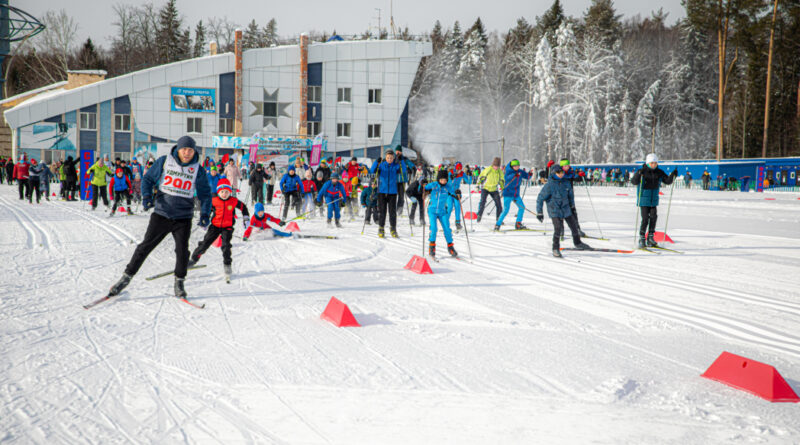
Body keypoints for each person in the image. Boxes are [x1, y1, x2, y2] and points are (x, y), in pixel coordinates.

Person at [107, 136, 213, 299]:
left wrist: (205, 213)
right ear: (178, 149)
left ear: (194, 151)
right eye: (184, 149)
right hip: (162, 214)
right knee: (145, 247)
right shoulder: (165, 161)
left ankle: (179, 282)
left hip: (183, 217)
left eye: (190, 150)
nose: (187, 153)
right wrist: (147, 196)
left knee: (182, 251)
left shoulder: (198, 169)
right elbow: (148, 179)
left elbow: (205, 194)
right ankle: (126, 277)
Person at [188, 178, 249, 281]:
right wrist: (204, 220)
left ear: (230, 192)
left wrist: (246, 218)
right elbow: (207, 210)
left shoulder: (233, 201)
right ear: (218, 192)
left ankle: (227, 265)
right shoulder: (214, 201)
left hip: (227, 227)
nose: (224, 194)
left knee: (225, 246)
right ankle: (193, 259)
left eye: (226, 192)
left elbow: (244, 207)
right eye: (222, 192)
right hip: (215, 226)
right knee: (205, 243)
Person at [536, 165, 591, 257]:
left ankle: (577, 243)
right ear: (554, 173)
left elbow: (570, 196)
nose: (561, 174)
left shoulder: (566, 183)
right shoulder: (549, 185)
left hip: (566, 209)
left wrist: (572, 206)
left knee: (574, 226)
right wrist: (539, 212)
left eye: (562, 172)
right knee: (558, 228)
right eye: (558, 173)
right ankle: (555, 248)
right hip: (554, 210)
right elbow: (540, 198)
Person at [631, 153, 677, 248]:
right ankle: (642, 238)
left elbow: (667, 181)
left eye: (655, 163)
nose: (654, 165)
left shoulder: (659, 172)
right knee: (645, 219)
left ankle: (650, 237)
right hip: (643, 199)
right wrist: (638, 175)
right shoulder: (642, 171)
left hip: (653, 199)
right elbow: (634, 182)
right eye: (652, 163)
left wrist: (673, 175)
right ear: (648, 163)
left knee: (653, 217)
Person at [425, 169, 460, 258]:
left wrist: (458, 193)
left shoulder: (448, 187)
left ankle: (450, 247)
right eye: (441, 180)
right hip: (432, 211)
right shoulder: (434, 185)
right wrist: (423, 184)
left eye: (445, 180)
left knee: (447, 229)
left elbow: (454, 194)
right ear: (438, 179)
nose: (443, 181)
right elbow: (425, 187)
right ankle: (432, 247)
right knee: (434, 229)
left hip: (442, 211)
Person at [369, 149, 403, 238]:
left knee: (392, 212)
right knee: (382, 211)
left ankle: (393, 228)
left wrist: (401, 160)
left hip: (392, 192)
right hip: (382, 192)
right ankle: (381, 228)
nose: (389, 159)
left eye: (391, 158)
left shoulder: (395, 166)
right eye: (388, 158)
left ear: (393, 158)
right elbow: (372, 171)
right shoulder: (381, 165)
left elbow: (403, 170)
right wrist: (376, 162)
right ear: (386, 157)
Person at [495, 159, 531, 231]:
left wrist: (530, 174)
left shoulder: (519, 171)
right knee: (506, 210)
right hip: (508, 193)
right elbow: (507, 178)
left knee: (522, 207)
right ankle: (497, 224)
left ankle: (518, 224)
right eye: (515, 166)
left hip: (516, 194)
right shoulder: (508, 171)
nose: (517, 167)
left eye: (518, 166)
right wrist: (515, 175)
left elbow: (527, 176)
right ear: (512, 166)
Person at [559, 158, 587, 237]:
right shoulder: (559, 172)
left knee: (573, 213)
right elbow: (555, 176)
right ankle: (561, 230)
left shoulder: (571, 172)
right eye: (565, 166)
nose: (566, 167)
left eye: (567, 165)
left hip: (570, 196)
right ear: (562, 166)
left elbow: (576, 178)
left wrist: (581, 176)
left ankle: (577, 230)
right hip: (561, 196)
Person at [476, 157, 504, 224]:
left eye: (497, 166)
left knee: (499, 205)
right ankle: (479, 215)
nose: (495, 167)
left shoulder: (500, 172)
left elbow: (502, 181)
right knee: (483, 202)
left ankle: (498, 220)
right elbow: (481, 177)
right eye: (494, 166)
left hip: (494, 189)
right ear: (492, 165)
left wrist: (503, 189)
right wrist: (477, 185)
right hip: (485, 188)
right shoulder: (488, 169)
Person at [393, 146, 415, 216]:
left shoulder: (404, 159)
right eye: (396, 151)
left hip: (402, 180)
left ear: (401, 152)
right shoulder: (393, 158)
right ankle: (393, 210)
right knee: (393, 195)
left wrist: (413, 168)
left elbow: (411, 165)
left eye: (399, 151)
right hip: (395, 180)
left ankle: (399, 210)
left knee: (401, 195)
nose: (398, 152)